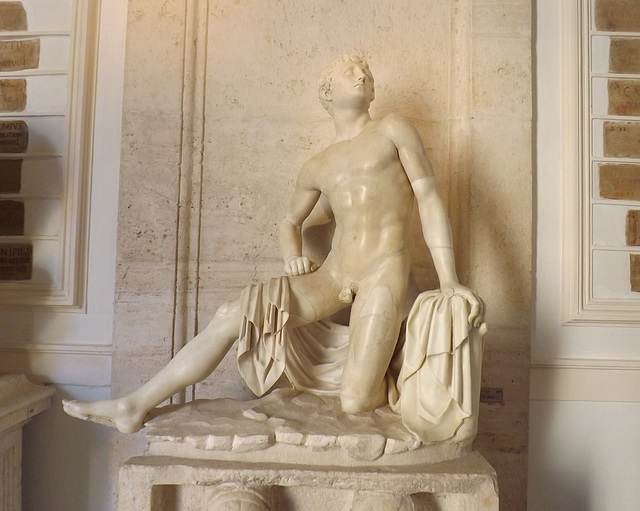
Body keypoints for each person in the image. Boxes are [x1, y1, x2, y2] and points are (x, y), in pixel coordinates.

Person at [63, 55, 484, 434]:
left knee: (356, 401)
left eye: (366, 72)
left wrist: (450, 280)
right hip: (334, 272)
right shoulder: (318, 165)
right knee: (232, 314)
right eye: (350, 71)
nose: (363, 75)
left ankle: (391, 363)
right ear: (327, 92)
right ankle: (134, 405)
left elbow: (429, 196)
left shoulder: (393, 129)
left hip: (384, 268)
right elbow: (290, 222)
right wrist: (292, 256)